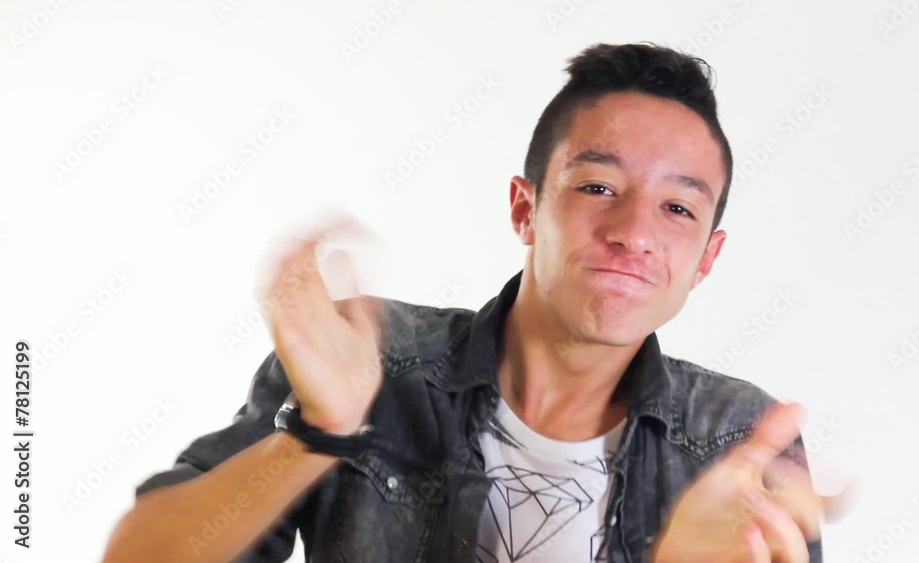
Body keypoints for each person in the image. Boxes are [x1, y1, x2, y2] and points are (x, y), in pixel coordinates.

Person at [104, 42, 852, 563]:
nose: (633, 233)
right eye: (598, 186)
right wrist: (315, 434)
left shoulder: (736, 441)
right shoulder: (367, 356)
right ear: (526, 208)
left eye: (678, 209)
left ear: (707, 260)